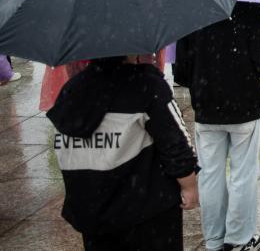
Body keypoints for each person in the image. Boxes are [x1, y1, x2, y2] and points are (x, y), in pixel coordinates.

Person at [47, 56, 199, 250]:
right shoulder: (147, 86)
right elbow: (175, 142)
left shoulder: (72, 90)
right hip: (146, 210)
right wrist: (189, 185)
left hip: (93, 211)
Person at [174, 3, 260, 251]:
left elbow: (182, 72)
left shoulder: (192, 11)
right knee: (243, 174)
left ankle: (214, 240)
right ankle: (239, 238)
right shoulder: (250, 10)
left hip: (206, 107)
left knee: (210, 174)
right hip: (244, 105)